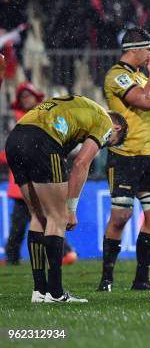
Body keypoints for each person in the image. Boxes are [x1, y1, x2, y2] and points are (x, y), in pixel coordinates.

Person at [5, 94, 127, 303]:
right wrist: (71, 209)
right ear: (116, 128)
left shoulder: (83, 110)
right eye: (110, 142)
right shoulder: (105, 122)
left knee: (38, 215)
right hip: (42, 139)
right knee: (58, 217)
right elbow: (81, 163)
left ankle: (39, 291)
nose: (104, 145)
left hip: (16, 137)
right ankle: (56, 293)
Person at [98, 28, 150, 292]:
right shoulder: (117, 76)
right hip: (124, 156)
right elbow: (146, 102)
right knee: (121, 216)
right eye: (148, 49)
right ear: (136, 50)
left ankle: (141, 278)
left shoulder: (139, 76)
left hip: (149, 154)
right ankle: (106, 279)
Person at [1, 82, 77, 266]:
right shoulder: (24, 119)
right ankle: (61, 252)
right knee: (33, 221)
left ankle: (60, 252)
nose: (26, 99)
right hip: (25, 182)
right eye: (23, 97)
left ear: (36, 99)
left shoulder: (24, 121)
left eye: (29, 96)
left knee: (42, 218)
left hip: (33, 180)